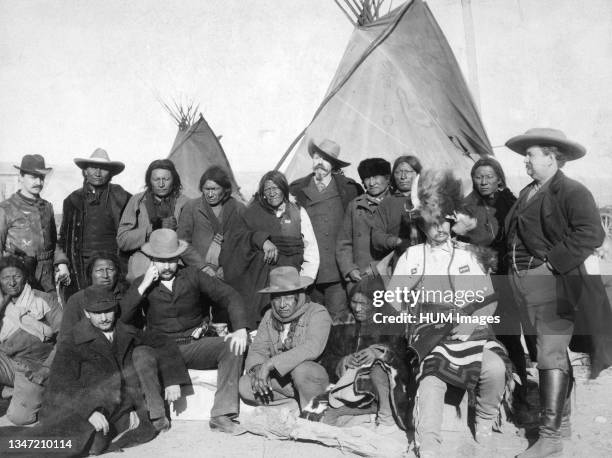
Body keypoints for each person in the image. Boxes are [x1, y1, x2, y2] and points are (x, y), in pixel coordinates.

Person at [504, 128, 612, 458]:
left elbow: (591, 233)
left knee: (550, 352)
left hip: (554, 283)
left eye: (532, 154)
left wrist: (551, 264)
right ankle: (561, 425)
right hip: (523, 284)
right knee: (549, 353)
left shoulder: (573, 191)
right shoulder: (527, 193)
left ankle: (549, 438)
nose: (526, 160)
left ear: (552, 158)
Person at [387, 170, 510, 457]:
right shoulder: (412, 257)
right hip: (431, 335)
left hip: (471, 330)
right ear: (422, 223)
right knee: (431, 380)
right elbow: (392, 299)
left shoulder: (468, 255)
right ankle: (427, 445)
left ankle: (484, 421)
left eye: (444, 222)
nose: (440, 229)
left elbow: (488, 300)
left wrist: (469, 324)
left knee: (495, 368)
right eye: (433, 224)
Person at [2, 286, 189, 456]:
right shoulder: (72, 340)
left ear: (115, 310)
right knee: (64, 445)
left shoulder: (126, 332)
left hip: (115, 403)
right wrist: (89, 411)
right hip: (78, 402)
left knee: (94, 444)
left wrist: (173, 380)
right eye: (97, 313)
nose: (104, 318)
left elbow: (164, 342)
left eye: (108, 311)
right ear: (86, 313)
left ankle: (123, 420)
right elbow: (61, 383)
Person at [120, 228, 249, 434]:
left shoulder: (193, 275)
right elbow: (124, 317)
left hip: (194, 344)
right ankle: (157, 416)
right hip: (162, 349)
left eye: (172, 260)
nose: (167, 266)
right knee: (141, 354)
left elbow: (230, 295)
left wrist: (241, 329)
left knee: (232, 346)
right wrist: (144, 285)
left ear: (179, 257)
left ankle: (221, 414)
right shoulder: (142, 283)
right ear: (152, 259)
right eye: (161, 261)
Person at [458, 157, 531, 420]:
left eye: (489, 176)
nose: (484, 181)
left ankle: (520, 397)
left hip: (506, 278)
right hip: (478, 280)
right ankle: (480, 401)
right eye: (479, 176)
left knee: (510, 336)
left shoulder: (511, 203)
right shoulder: (465, 207)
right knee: (476, 337)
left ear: (499, 178)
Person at [223, 170, 319, 328]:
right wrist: (261, 240)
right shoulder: (252, 213)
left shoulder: (297, 211)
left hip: (292, 281)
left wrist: (305, 280)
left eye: (276, 188)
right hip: (260, 283)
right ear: (262, 193)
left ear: (284, 189)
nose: (272, 193)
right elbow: (237, 237)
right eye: (267, 189)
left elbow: (311, 249)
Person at [319, 277, 408, 433]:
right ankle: (360, 410)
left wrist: (378, 352)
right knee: (316, 417)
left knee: (378, 368)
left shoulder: (393, 321)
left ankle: (383, 414)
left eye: (364, 304)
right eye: (354, 302)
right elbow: (326, 358)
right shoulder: (341, 321)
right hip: (346, 386)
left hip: (381, 387)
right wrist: (342, 361)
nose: (357, 309)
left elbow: (403, 358)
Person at [239, 266, 331, 412]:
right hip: (285, 383)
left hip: (311, 378)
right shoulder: (269, 316)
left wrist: (270, 364)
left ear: (298, 295)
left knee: (302, 370)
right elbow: (258, 349)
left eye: (288, 297)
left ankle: (314, 412)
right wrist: (258, 369)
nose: (282, 305)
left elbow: (312, 347)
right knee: (245, 385)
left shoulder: (317, 312)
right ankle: (292, 406)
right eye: (277, 298)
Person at [289, 139, 363, 322]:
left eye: (326, 159)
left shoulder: (349, 189)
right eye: (317, 157)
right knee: (310, 322)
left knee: (337, 321)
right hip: (307, 270)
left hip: (336, 271)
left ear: (334, 165)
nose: (320, 162)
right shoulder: (296, 189)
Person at [58, 149, 131, 298]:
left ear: (110, 173)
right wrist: (62, 263)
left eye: (103, 169)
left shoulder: (122, 198)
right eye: (93, 168)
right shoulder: (72, 200)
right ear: (85, 171)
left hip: (113, 266)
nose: (98, 173)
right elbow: (64, 239)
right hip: (81, 266)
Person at [0, 255, 62, 425]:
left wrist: (46, 369)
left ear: (25, 277)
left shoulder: (43, 299)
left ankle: (19, 391)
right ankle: (12, 390)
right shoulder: (2, 302)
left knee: (19, 418)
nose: (12, 283)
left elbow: (65, 335)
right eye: (5, 278)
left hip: (33, 366)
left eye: (17, 276)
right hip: (7, 361)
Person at [0, 155, 69, 292]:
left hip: (46, 277)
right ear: (20, 177)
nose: (38, 182)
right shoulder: (6, 208)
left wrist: (61, 263)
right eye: (33, 177)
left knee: (51, 311)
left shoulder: (47, 207)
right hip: (19, 276)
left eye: (42, 177)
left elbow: (54, 242)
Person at [117, 159, 189, 281]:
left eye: (166, 179)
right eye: (156, 179)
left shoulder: (185, 203)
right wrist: (154, 228)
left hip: (176, 263)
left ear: (174, 180)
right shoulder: (137, 202)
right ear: (149, 181)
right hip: (144, 264)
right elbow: (123, 240)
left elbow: (190, 240)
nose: (161, 184)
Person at [177, 166, 246, 278]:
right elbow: (182, 242)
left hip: (231, 272)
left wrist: (229, 267)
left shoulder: (238, 209)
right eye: (206, 189)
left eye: (214, 189)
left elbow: (245, 244)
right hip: (198, 272)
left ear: (225, 189)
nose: (210, 194)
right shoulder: (192, 207)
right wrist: (202, 267)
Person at [336, 158, 391, 287]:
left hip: (387, 275)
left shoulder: (396, 203)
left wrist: (378, 267)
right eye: (367, 178)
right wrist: (349, 268)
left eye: (376, 177)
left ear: (387, 178)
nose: (372, 183)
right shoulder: (355, 205)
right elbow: (344, 242)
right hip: (360, 276)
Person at [371, 155, 424, 261]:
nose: (403, 177)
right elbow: (376, 237)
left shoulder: (428, 199)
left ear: (418, 174)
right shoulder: (387, 202)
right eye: (398, 172)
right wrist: (399, 242)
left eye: (408, 172)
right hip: (398, 261)